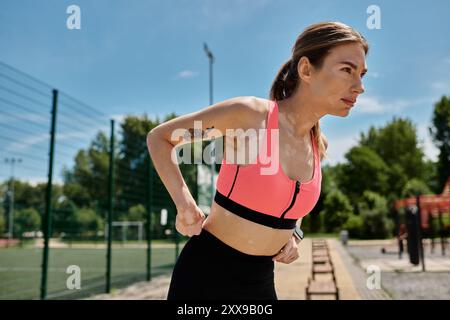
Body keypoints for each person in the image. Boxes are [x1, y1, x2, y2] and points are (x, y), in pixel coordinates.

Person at [147, 21, 368, 300]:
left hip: (260, 282)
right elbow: (160, 138)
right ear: (306, 69)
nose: (359, 86)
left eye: (362, 74)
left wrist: (295, 235)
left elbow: (293, 207)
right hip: (206, 278)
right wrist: (185, 204)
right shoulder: (250, 116)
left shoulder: (318, 145)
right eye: (347, 70)